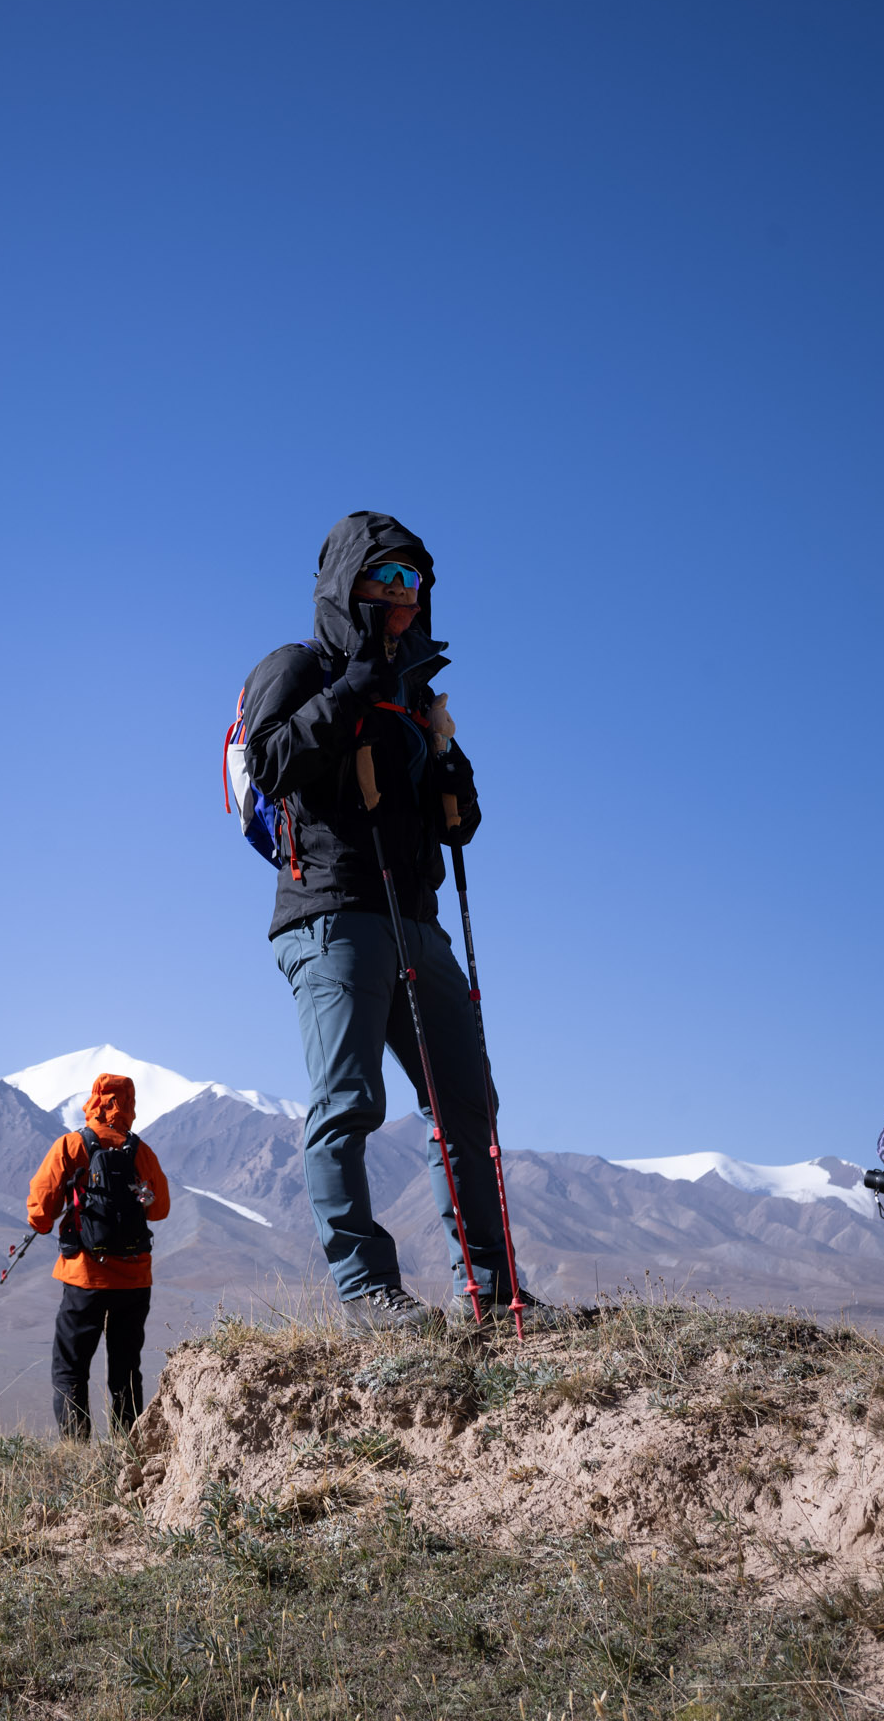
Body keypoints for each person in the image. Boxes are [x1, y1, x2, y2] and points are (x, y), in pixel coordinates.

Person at [239, 511, 535, 1330]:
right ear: (347, 587)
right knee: (347, 1101)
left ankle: (489, 1291)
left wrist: (451, 772)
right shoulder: (295, 666)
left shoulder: (414, 692)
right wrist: (352, 689)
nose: (404, 595)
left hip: (416, 917)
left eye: (415, 581)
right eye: (386, 578)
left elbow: (454, 823)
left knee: (467, 1102)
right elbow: (271, 760)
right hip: (331, 915)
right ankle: (367, 1291)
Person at [25, 1072, 171, 1438]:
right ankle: (128, 1451)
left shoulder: (71, 1146)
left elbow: (39, 1216)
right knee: (125, 1369)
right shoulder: (142, 1152)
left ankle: (77, 1451)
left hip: (84, 1277)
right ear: (129, 1105)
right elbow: (159, 1210)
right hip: (135, 1280)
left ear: (93, 1102)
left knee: (71, 1368)